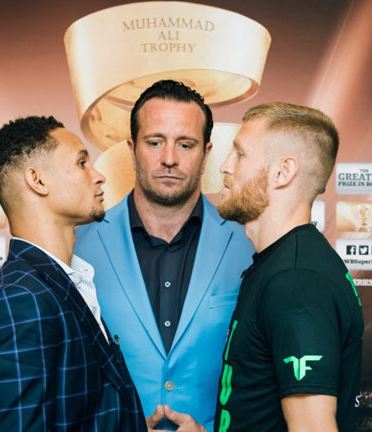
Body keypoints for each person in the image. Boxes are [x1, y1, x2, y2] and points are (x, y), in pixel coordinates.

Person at [75, 80, 253, 431]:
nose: (169, 159)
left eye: (185, 144)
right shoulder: (78, 246)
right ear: (132, 148)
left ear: (206, 153)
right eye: (155, 142)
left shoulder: (248, 245)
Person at [0, 116, 147, 431]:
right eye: (81, 163)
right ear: (37, 180)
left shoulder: (60, 283)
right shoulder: (19, 300)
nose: (99, 176)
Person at [213, 102, 364, 431]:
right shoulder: (282, 265)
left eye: (239, 154)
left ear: (283, 172)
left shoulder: (296, 281)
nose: (225, 166)